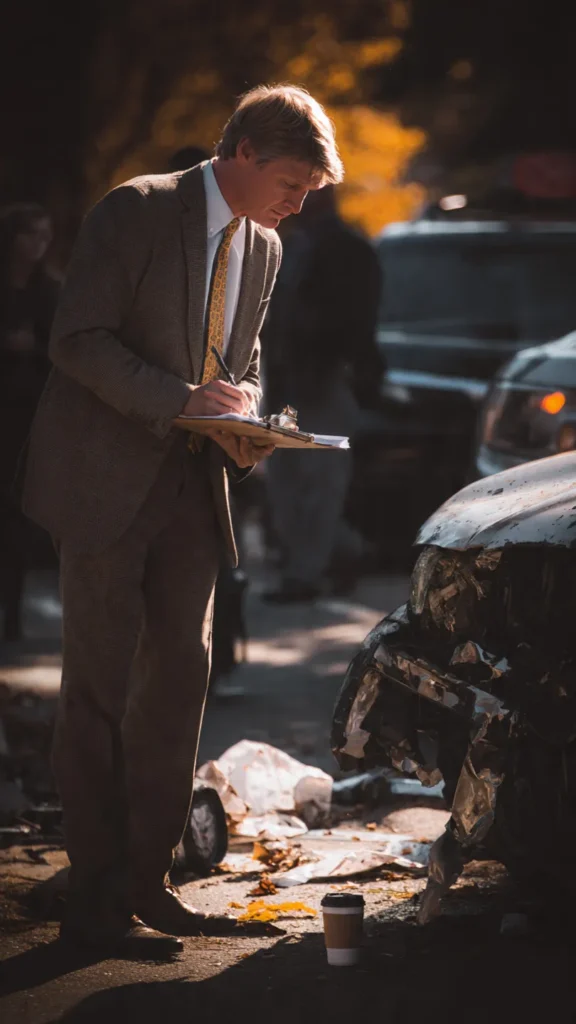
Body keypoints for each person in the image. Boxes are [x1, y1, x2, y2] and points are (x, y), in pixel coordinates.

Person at [21, 84, 343, 953]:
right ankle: (92, 899)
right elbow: (75, 340)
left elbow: (245, 360)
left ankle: (147, 880)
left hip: (195, 489)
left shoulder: (267, 246)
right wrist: (181, 402)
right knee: (95, 693)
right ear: (239, 151)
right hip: (101, 484)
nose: (300, 201)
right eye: (292, 180)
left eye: (311, 189)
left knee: (177, 687)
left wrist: (249, 421)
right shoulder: (135, 209)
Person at [262, 184, 385, 603]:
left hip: (324, 376)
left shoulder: (349, 250)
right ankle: (343, 551)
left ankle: (306, 573)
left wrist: (338, 363)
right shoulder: (292, 246)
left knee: (319, 481)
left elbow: (358, 320)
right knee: (289, 481)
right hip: (286, 378)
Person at [0, 203, 59, 640]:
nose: (37, 245)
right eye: (28, 234)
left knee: (16, 511)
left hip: (28, 412)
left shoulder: (50, 291)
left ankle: (13, 614)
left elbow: (64, 352)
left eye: (44, 235)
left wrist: (32, 349)